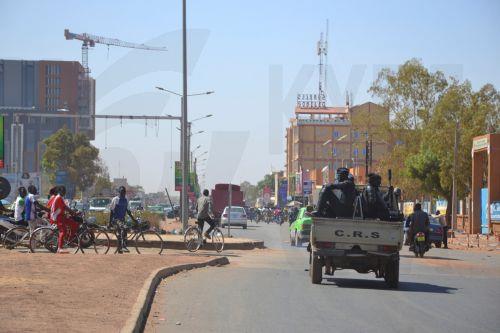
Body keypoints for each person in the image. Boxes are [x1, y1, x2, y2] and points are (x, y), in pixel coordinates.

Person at [50, 186, 80, 254]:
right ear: (59, 191)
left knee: (75, 225)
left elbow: (63, 208)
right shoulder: (59, 198)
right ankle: (59, 248)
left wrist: (72, 213)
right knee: (63, 231)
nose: (64, 192)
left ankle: (69, 241)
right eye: (63, 191)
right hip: (57, 217)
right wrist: (73, 213)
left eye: (64, 191)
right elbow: (65, 207)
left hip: (61, 216)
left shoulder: (60, 198)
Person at [109, 186, 137, 253]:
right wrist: (109, 222)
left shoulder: (126, 200)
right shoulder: (115, 199)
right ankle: (121, 247)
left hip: (122, 219)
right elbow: (111, 211)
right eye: (121, 192)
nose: (123, 194)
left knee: (125, 230)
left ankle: (122, 246)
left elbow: (128, 211)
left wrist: (134, 219)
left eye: (124, 192)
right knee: (122, 229)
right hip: (116, 219)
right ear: (119, 192)